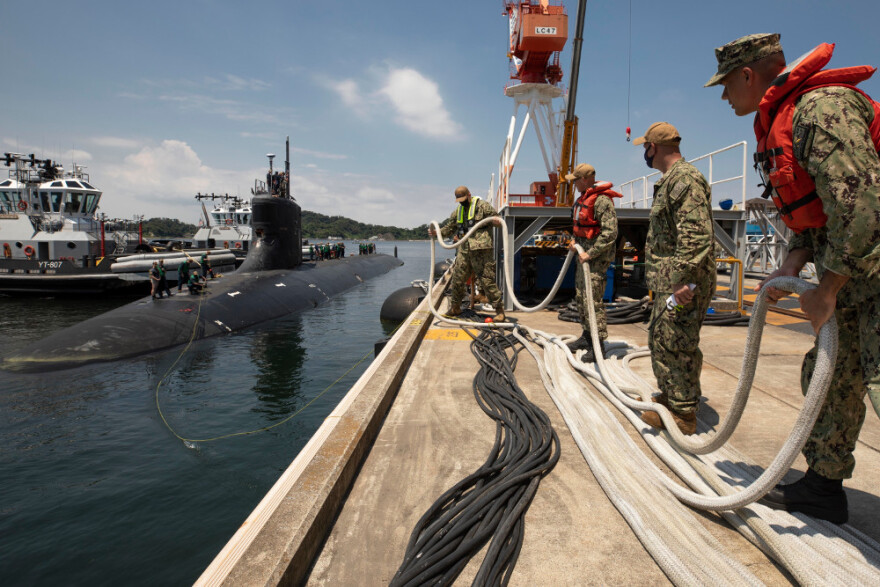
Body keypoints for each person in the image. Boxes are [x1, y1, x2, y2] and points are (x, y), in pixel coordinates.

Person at [707, 33, 880, 524]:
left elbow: (865, 208)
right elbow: (820, 210)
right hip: (853, 269)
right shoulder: (785, 119)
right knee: (831, 377)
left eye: (726, 85)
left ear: (747, 75)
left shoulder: (822, 111)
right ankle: (823, 487)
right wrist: (795, 260)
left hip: (870, 267)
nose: (723, 98)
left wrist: (826, 291)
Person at [634, 122, 717, 436]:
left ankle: (683, 414)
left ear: (654, 147)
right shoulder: (671, 180)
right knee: (662, 337)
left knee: (675, 342)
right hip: (677, 280)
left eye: (645, 147)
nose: (644, 152)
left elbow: (695, 235)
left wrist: (683, 279)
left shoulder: (684, 179)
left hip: (686, 282)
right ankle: (673, 397)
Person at [564, 163, 621, 362]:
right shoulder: (583, 199)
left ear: (586, 179)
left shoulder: (602, 201)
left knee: (593, 301)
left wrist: (591, 253)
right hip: (583, 257)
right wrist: (575, 241)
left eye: (577, 180)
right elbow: (580, 226)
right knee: (582, 297)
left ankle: (599, 346)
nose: (575, 184)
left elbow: (610, 232)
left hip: (595, 260)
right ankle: (587, 337)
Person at [429, 185, 505, 321]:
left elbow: (497, 220)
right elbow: (450, 227)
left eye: (464, 199)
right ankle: (455, 308)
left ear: (469, 195)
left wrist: (496, 221)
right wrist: (437, 233)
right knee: (457, 279)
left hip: (481, 251)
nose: (462, 202)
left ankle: (499, 310)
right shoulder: (458, 211)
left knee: (487, 280)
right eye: (460, 200)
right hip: (464, 250)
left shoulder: (483, 206)